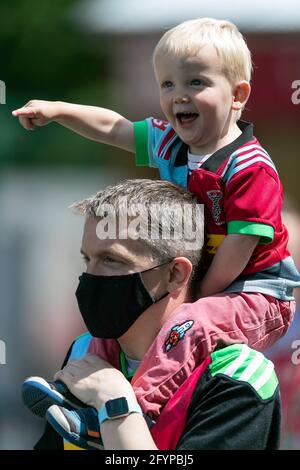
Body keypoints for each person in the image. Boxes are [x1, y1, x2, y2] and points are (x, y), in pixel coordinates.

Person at [12, 18, 300, 340]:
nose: (178, 95)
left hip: (253, 290)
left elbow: (240, 244)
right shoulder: (169, 142)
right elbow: (114, 127)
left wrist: (197, 294)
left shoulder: (249, 167)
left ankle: (144, 393)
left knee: (189, 327)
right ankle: (82, 382)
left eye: (195, 82)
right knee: (122, 315)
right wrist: (59, 111)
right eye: (168, 84)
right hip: (196, 280)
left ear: (237, 94)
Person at [27, 179, 280, 450]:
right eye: (88, 259)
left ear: (175, 274)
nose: (90, 278)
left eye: (111, 260)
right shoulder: (83, 351)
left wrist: (116, 403)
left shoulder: (237, 376)